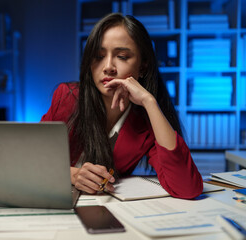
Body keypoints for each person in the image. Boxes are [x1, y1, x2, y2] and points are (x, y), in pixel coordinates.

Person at [41, 13, 203, 199]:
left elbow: (187, 188)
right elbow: (32, 159)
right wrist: (73, 175)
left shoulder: (147, 120)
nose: (108, 66)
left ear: (142, 67)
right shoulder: (67, 97)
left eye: (122, 56)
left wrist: (149, 102)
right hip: (56, 199)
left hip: (109, 208)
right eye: (99, 56)